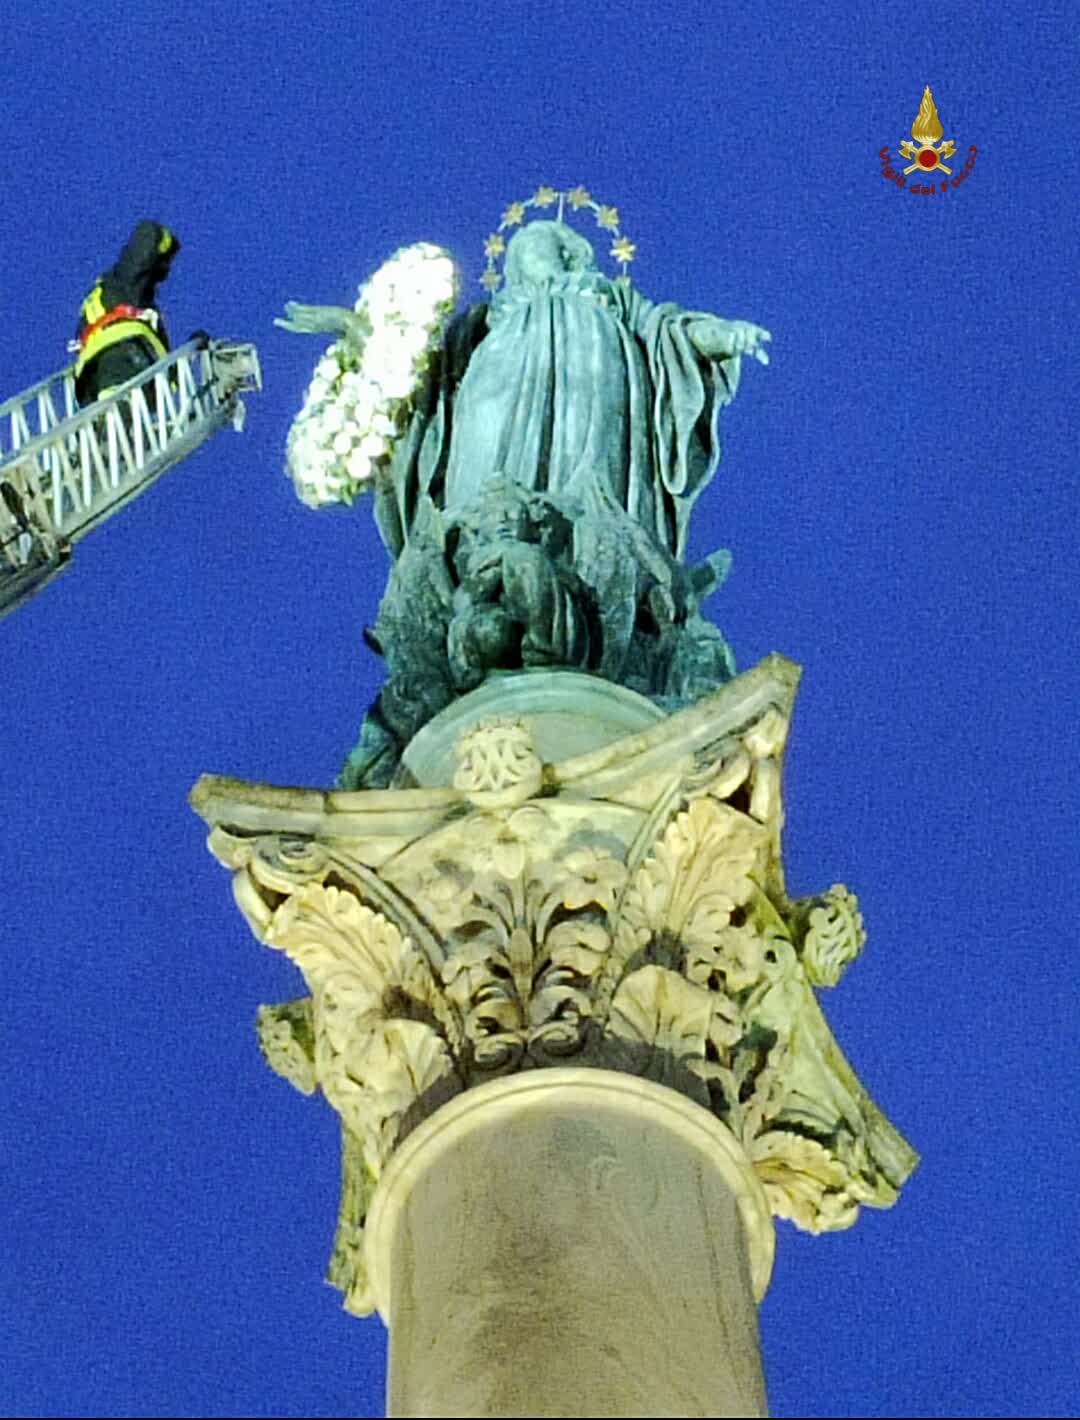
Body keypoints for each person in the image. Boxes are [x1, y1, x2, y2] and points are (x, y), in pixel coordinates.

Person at [73, 220, 180, 404]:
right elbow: (146, 237)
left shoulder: (107, 296)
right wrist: (167, 243)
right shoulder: (124, 281)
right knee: (120, 408)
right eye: (166, 263)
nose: (167, 269)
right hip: (123, 355)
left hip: (90, 377)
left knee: (113, 425)